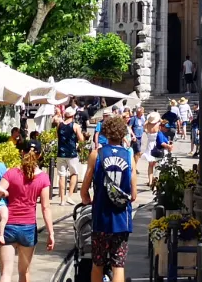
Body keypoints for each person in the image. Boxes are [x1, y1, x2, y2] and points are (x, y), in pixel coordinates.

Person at [80, 113, 135, 282]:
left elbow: (84, 188)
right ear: (123, 134)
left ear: (104, 133)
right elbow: (133, 195)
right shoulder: (129, 157)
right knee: (118, 265)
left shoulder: (96, 155)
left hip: (101, 217)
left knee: (98, 263)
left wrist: (87, 199)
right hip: (121, 219)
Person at [0, 139, 54, 282]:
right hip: (28, 228)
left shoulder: (11, 173)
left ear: (21, 152)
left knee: (5, 274)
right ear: (39, 155)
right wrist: (51, 232)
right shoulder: (43, 178)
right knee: (24, 273)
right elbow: (45, 208)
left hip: (9, 226)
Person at [55, 109, 83, 204]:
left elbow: (57, 136)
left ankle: (62, 199)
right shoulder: (75, 126)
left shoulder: (60, 125)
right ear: (73, 116)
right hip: (72, 153)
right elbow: (81, 139)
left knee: (62, 176)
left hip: (61, 153)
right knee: (74, 174)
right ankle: (69, 196)